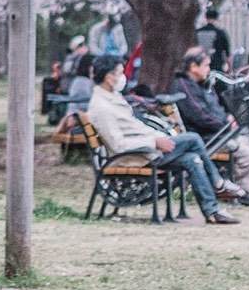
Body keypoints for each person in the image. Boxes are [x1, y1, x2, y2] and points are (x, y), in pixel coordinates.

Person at [83, 56, 240, 225]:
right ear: (109, 77)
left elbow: (136, 128)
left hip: (146, 151)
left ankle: (212, 211)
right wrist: (154, 142)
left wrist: (159, 138)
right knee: (193, 139)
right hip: (134, 157)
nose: (124, 78)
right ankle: (219, 183)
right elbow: (118, 145)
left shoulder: (112, 97)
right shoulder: (102, 107)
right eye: (121, 73)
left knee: (192, 160)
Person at [171, 48, 249, 204]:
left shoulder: (200, 84)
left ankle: (241, 190)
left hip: (218, 133)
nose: (209, 69)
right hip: (209, 137)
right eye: (206, 65)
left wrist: (226, 119)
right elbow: (200, 115)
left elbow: (212, 109)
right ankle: (236, 190)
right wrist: (225, 123)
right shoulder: (184, 86)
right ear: (194, 67)